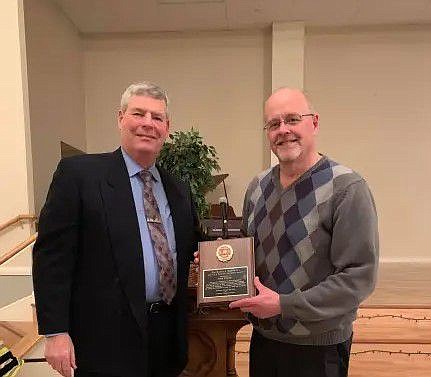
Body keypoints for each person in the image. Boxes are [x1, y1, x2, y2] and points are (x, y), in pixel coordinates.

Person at [32, 82, 200, 377]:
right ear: (120, 118)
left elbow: (192, 248)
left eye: (157, 117)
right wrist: (55, 331)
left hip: (166, 336)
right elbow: (52, 258)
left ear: (167, 128)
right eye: (139, 113)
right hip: (104, 341)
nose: (148, 123)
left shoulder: (179, 189)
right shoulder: (80, 176)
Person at [229, 87, 379, 377]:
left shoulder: (347, 189)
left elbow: (357, 278)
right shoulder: (257, 188)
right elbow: (247, 255)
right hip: (265, 340)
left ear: (315, 122)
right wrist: (219, 264)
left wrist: (284, 305)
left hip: (318, 349)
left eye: (292, 119)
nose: (283, 130)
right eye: (274, 124)